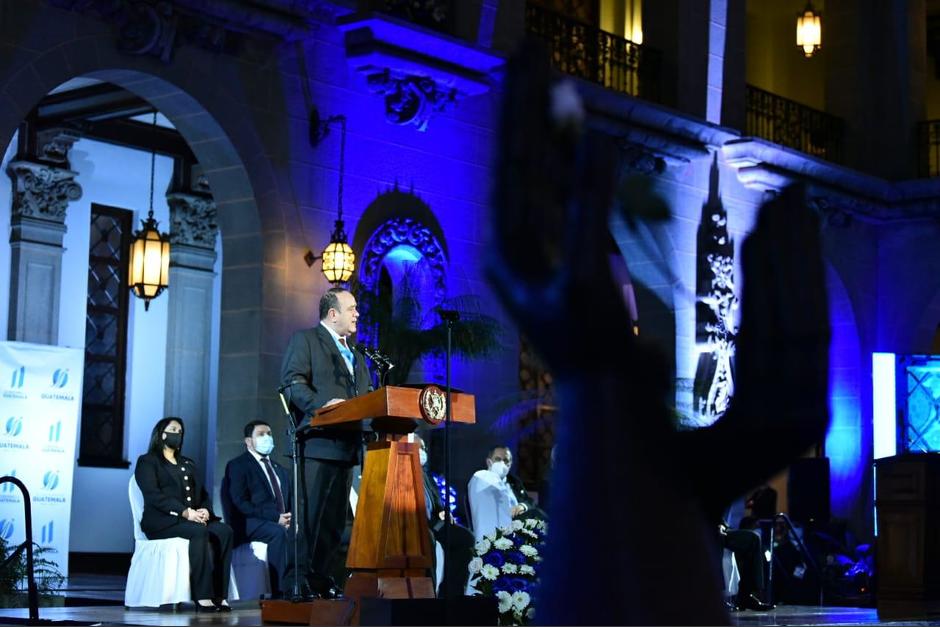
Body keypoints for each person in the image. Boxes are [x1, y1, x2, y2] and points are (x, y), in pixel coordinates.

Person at [280, 287, 372, 598]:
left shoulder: (357, 356)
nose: (357, 314)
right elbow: (292, 383)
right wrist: (323, 406)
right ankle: (297, 582)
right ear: (333, 314)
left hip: (346, 449)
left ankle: (321, 579)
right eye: (352, 309)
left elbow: (367, 396)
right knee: (309, 519)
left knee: (334, 524)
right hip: (317, 445)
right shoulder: (305, 340)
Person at [134, 417, 233, 612]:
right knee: (198, 532)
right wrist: (185, 512)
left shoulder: (187, 463)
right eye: (173, 430)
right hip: (162, 522)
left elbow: (202, 494)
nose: (177, 434)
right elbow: (154, 496)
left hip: (192, 518)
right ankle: (202, 595)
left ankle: (219, 594)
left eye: (180, 431)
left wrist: (205, 510)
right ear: (161, 434)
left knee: (224, 531)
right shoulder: (148, 461)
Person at [223, 420, 295, 598]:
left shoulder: (280, 469)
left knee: (305, 532)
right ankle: (281, 593)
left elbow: (291, 499)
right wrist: (276, 518)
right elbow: (240, 502)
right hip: (249, 522)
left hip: (278, 521)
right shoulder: (238, 465)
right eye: (261, 434)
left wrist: (292, 517)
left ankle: (303, 586)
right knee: (277, 533)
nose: (267, 438)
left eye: (269, 434)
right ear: (248, 441)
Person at [415, 434, 475, 597]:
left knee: (465, 538)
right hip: (416, 523)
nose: (423, 451)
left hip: (434, 522)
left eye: (423, 448)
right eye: (418, 448)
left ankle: (451, 593)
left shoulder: (425, 474)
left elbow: (436, 499)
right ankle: (429, 594)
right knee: (427, 538)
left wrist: (443, 510)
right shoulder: (404, 472)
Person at [467, 445, 543, 542]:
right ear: (489, 462)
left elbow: (530, 502)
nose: (502, 463)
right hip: (499, 531)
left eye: (506, 460)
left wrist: (522, 506)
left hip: (523, 524)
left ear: (510, 464)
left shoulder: (514, 481)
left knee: (538, 515)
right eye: (498, 459)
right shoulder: (480, 481)